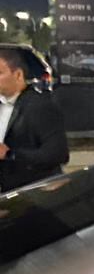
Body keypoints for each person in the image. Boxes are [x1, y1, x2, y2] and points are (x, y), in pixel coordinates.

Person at [0, 47, 70, 192]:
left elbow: (58, 154)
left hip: (36, 195)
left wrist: (10, 154)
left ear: (18, 74)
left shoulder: (40, 106)